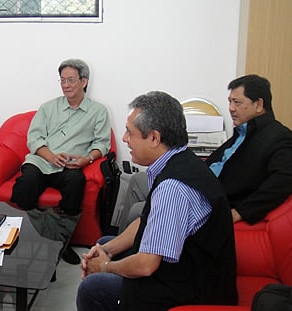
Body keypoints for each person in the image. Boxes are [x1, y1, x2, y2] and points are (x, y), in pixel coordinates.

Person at [77, 91, 237, 311]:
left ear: (154, 138)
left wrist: (104, 266)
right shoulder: (181, 159)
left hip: (195, 289)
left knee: (93, 288)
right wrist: (108, 250)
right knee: (105, 242)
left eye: (129, 133)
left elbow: (146, 265)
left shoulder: (173, 188)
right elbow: (147, 220)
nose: (124, 139)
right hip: (189, 266)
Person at [118, 74, 292, 232]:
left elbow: (284, 178)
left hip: (211, 199)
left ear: (259, 105)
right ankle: (113, 241)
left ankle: (127, 256)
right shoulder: (242, 133)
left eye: (237, 102)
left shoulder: (277, 137)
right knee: (137, 180)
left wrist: (240, 212)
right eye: (230, 101)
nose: (231, 108)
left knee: (138, 211)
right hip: (202, 182)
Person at [10, 59, 111, 265]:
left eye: (71, 80)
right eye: (62, 80)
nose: (66, 85)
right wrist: (51, 156)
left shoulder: (98, 111)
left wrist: (86, 159)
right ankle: (30, 239)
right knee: (25, 185)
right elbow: (34, 139)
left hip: (70, 166)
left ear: (84, 81)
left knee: (76, 185)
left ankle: (59, 243)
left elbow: (102, 143)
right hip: (42, 161)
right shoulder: (48, 108)